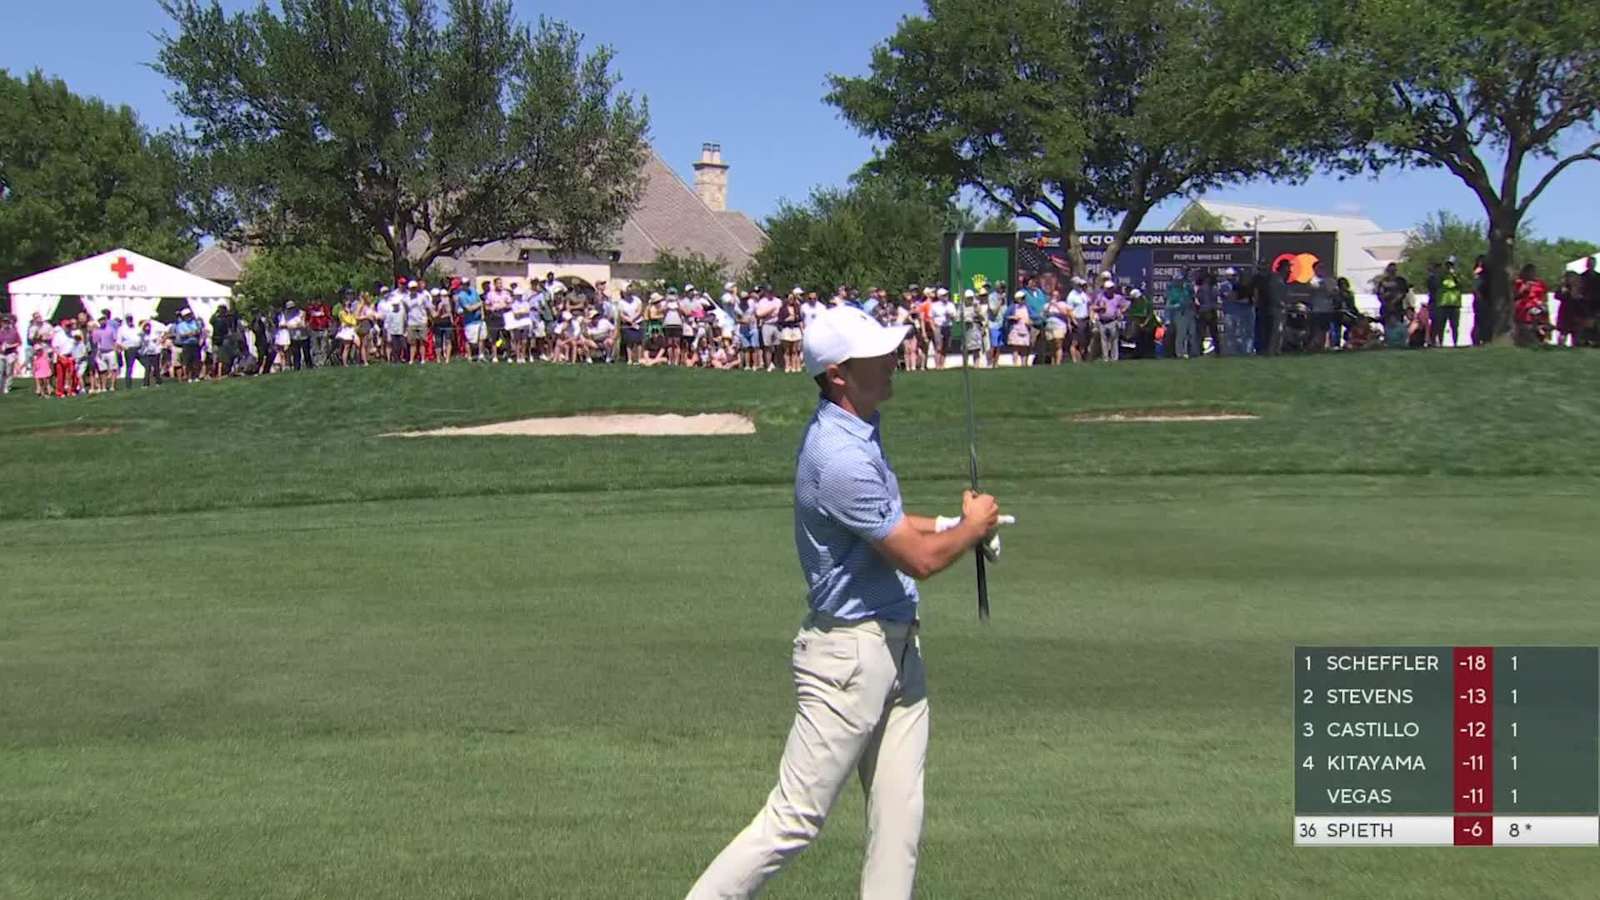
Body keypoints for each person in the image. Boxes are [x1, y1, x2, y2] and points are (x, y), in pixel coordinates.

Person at [686, 304, 1003, 900]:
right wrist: (970, 528)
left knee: (899, 824)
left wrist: (953, 524)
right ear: (838, 374)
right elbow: (919, 560)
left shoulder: (858, 432)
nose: (893, 360)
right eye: (876, 355)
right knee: (794, 820)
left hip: (897, 652)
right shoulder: (838, 455)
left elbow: (888, 524)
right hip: (848, 661)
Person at [1513, 264, 1551, 347]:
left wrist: (1543, 304)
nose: (1532, 274)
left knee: (1541, 316)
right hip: (1524, 308)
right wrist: (1525, 287)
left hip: (1538, 306)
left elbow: (1544, 297)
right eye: (1530, 272)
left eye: (1533, 271)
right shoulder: (1519, 282)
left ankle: (1543, 338)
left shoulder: (1540, 283)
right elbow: (1515, 295)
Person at [1375, 263, 1411, 349]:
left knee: (1398, 325)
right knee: (1387, 325)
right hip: (1385, 308)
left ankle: (1400, 343)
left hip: (1397, 308)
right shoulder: (1383, 281)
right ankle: (1389, 342)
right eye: (1390, 270)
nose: (1392, 271)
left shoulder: (1400, 281)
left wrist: (1394, 302)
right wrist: (1385, 303)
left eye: (1394, 270)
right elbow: (1379, 294)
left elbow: (1403, 293)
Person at [1306, 262, 1337, 352]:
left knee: (1325, 329)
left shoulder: (1330, 280)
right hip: (1316, 309)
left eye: (1322, 267)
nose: (1321, 269)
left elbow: (1333, 292)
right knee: (1316, 329)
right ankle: (1313, 346)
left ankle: (1323, 347)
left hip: (1327, 309)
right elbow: (1313, 289)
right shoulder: (1312, 280)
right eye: (1318, 268)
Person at [1165, 274, 1196, 359]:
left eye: (1181, 280)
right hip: (1179, 314)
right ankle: (1179, 353)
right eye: (1178, 281)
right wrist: (1177, 306)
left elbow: (1191, 298)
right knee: (1181, 334)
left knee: (1191, 333)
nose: (1180, 282)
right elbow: (1168, 306)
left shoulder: (1186, 289)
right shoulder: (1173, 292)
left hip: (1189, 312)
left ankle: (1189, 352)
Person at [1433, 259, 1464, 348]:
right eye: (1447, 266)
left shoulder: (1456, 276)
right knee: (1441, 325)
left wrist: (1454, 275)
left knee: (1454, 325)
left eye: (1450, 266)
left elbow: (1460, 285)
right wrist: (1443, 274)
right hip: (1442, 304)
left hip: (1454, 304)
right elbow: (1436, 284)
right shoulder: (1441, 276)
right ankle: (1441, 343)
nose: (1448, 268)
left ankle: (1455, 343)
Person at [0, 314, 20, 395]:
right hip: (1, 353)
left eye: (7, 322)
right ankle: (1, 386)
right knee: (1, 370)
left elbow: (19, 342)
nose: (5, 324)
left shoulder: (14, 332)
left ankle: (7, 386)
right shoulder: (0, 332)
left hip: (11, 353)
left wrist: (10, 346)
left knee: (9, 371)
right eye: (4, 322)